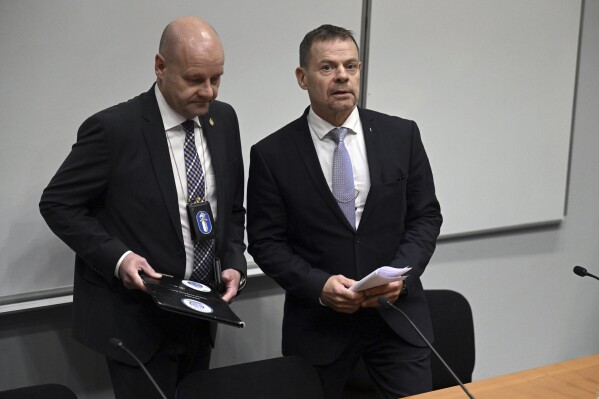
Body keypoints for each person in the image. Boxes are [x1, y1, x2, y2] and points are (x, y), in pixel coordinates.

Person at [39, 17, 247, 399]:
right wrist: (119, 258)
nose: (208, 91)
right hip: (138, 322)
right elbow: (57, 203)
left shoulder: (223, 120)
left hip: (203, 314)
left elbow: (232, 209)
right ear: (160, 67)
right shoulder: (114, 130)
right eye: (195, 79)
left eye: (216, 78)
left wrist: (234, 260)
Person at [247, 24, 442, 398]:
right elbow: (266, 242)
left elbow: (425, 217)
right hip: (320, 329)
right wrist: (318, 285)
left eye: (350, 66)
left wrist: (403, 277)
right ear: (302, 77)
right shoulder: (272, 155)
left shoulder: (401, 136)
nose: (342, 76)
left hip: (397, 319)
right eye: (328, 67)